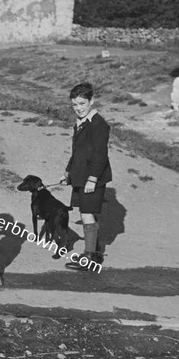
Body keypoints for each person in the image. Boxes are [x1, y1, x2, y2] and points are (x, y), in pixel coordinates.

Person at [61, 82, 112, 271]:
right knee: (85, 212)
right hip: (81, 174)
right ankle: (95, 253)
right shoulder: (81, 123)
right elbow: (77, 152)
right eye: (74, 105)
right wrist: (68, 171)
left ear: (92, 101)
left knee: (87, 214)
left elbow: (100, 155)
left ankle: (89, 258)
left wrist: (93, 179)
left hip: (92, 177)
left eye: (82, 104)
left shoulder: (99, 125)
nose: (78, 108)